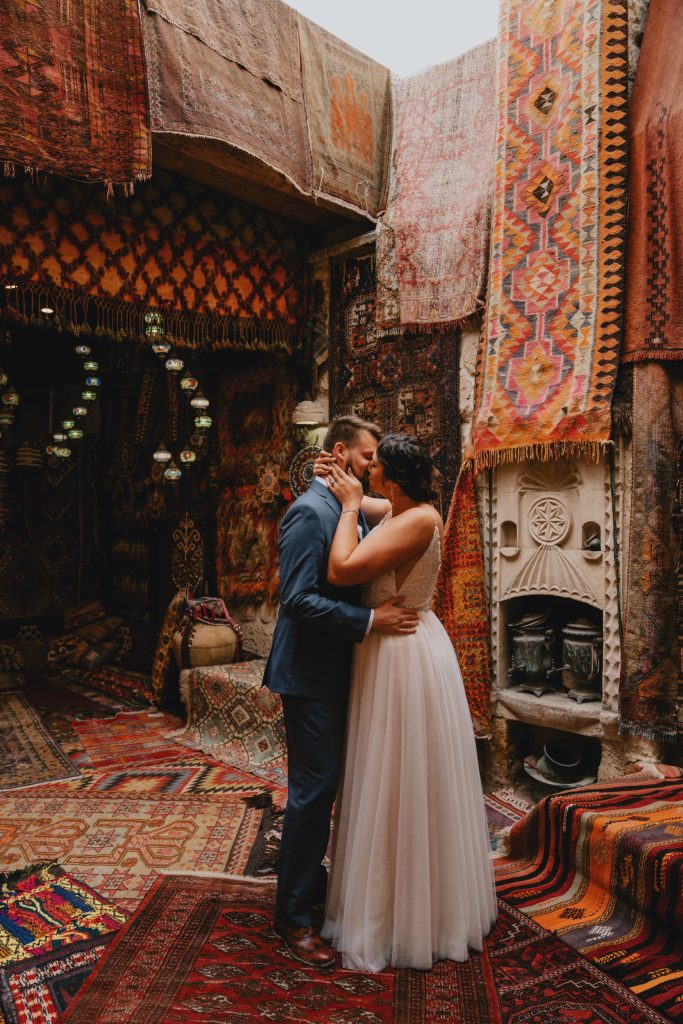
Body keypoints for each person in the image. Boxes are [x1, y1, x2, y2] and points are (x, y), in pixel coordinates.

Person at [317, 433, 497, 973]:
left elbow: (342, 570)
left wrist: (349, 506)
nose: (368, 471)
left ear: (392, 479)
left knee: (403, 777)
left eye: (375, 467)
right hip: (387, 650)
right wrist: (333, 474)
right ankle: (390, 900)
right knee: (385, 775)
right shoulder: (397, 505)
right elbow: (362, 496)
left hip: (404, 654)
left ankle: (414, 917)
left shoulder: (419, 518)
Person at [263, 416, 420, 969]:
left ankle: (312, 881)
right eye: (369, 455)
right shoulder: (309, 512)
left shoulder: (344, 501)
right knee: (314, 790)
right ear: (341, 454)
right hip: (309, 674)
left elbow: (395, 505)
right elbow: (299, 601)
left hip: (340, 671)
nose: (374, 466)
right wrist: (371, 619)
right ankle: (293, 916)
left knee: (331, 785)